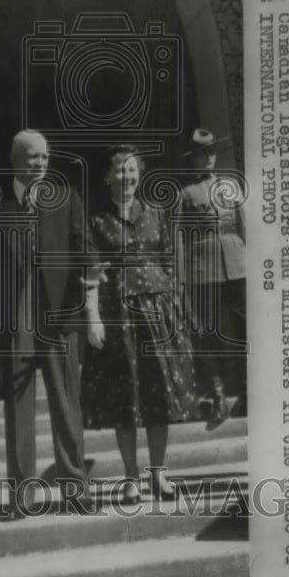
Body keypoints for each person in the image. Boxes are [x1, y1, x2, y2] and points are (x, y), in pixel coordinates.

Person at [81, 146, 199, 503]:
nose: (126, 177)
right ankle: (131, 476)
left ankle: (158, 475)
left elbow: (171, 263)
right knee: (125, 399)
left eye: (132, 171)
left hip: (157, 315)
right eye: (119, 170)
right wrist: (93, 316)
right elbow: (91, 273)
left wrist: (177, 312)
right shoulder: (95, 219)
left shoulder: (157, 214)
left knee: (158, 396)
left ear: (140, 175)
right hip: (118, 318)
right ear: (107, 177)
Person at [0, 130, 91, 518]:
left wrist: (91, 282)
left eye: (45, 156)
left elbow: (84, 248)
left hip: (58, 317)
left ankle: (74, 487)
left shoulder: (65, 199)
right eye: (33, 157)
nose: (41, 163)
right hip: (16, 321)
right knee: (18, 412)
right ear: (15, 160)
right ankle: (23, 496)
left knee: (66, 404)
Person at [178, 128, 247, 421]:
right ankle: (217, 395)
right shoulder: (184, 194)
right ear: (192, 158)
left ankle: (247, 392)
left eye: (210, 152)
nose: (207, 158)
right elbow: (178, 238)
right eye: (200, 154)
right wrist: (181, 277)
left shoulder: (231, 187)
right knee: (207, 334)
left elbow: (246, 227)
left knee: (244, 330)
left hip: (236, 265)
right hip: (201, 270)